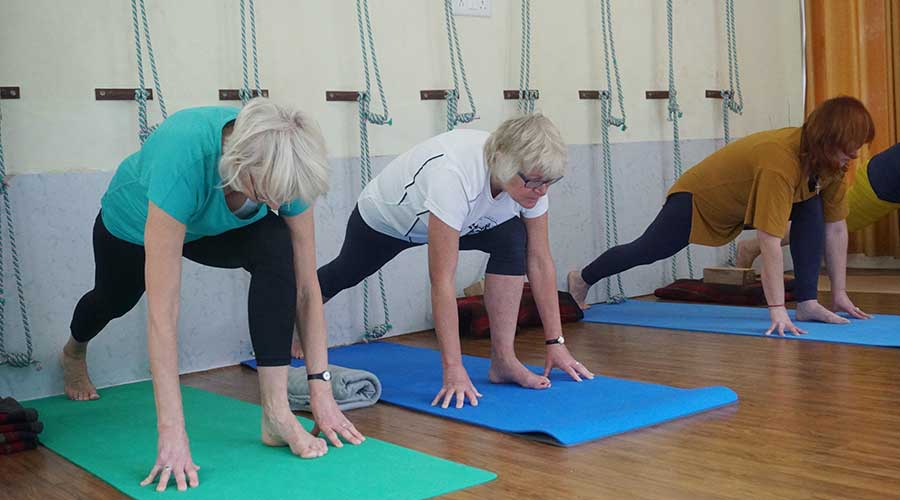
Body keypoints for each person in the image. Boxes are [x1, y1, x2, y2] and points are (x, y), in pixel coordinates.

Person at [61, 99, 364, 493]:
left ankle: (276, 414)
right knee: (114, 300)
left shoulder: (285, 163)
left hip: (207, 230)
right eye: (267, 192)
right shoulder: (185, 155)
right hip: (133, 226)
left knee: (277, 244)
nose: (276, 204)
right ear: (240, 164)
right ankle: (74, 349)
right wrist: (172, 433)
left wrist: (320, 391)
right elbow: (163, 312)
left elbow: (308, 289)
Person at [317, 114, 594, 409]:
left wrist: (556, 343)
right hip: (390, 222)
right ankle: (296, 316)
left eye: (549, 182)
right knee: (344, 273)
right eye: (534, 183)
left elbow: (539, 260)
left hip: (465, 221)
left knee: (513, 238)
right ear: (501, 163)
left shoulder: (533, 180)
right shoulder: (453, 175)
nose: (542, 191)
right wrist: (453, 369)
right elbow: (442, 282)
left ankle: (504, 361)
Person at [567, 96, 876, 336]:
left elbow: (835, 229)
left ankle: (808, 303)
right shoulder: (779, 162)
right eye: (849, 148)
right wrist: (777, 309)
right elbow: (769, 242)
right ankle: (583, 277)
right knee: (648, 249)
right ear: (826, 141)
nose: (855, 155)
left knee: (812, 210)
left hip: (743, 201)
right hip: (701, 197)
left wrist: (840, 294)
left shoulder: (832, 165)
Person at [736, 141, 900, 267]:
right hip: (878, 184)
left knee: (825, 221)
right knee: (825, 222)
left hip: (885, 180)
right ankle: (751, 247)